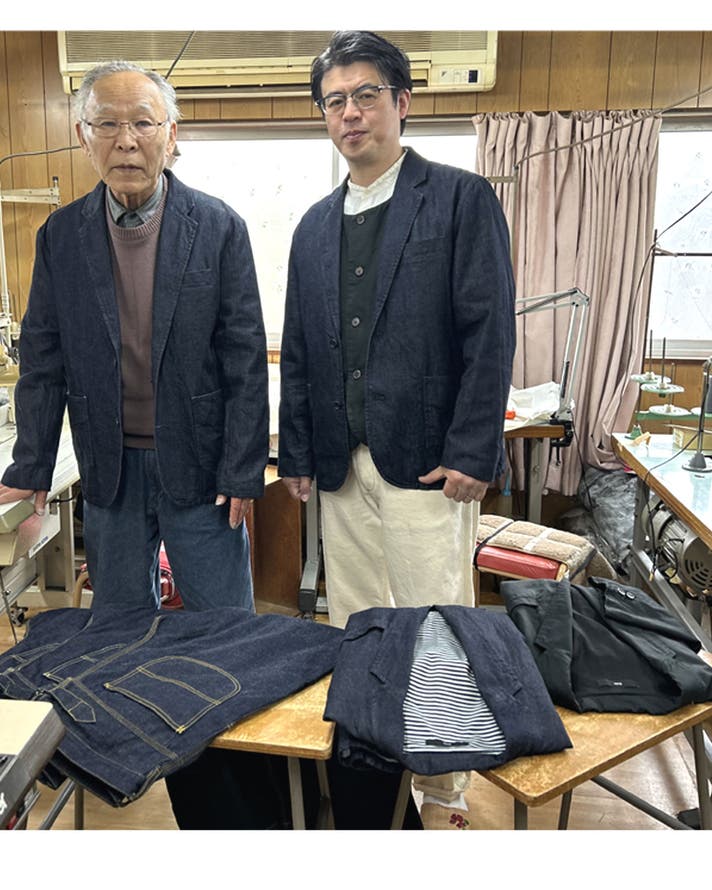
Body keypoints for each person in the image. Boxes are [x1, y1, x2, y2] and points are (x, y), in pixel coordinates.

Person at [278, 30, 516, 816]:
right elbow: (301, 348)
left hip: (429, 464)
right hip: (341, 465)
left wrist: (475, 448)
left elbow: (490, 334)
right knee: (359, 624)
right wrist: (297, 451)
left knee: (436, 624)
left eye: (365, 95)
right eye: (334, 101)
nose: (350, 113)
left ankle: (444, 786)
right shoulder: (314, 226)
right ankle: (374, 770)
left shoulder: (459, 199)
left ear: (402, 103)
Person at [0, 61, 269, 612]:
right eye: (107, 124)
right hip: (110, 466)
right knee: (118, 629)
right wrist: (31, 464)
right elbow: (44, 361)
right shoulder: (60, 237)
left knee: (224, 626)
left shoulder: (219, 228)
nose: (126, 141)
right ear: (84, 137)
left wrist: (243, 469)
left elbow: (244, 360)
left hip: (202, 467)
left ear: (170, 135)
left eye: (143, 123)